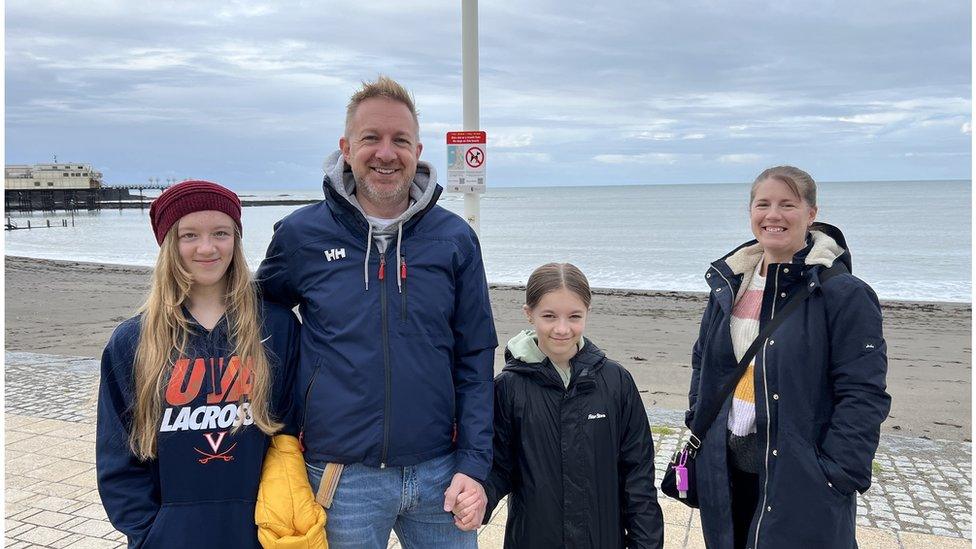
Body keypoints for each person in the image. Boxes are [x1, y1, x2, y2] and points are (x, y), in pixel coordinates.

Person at [257, 76, 497, 548]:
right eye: (371, 138)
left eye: (400, 141)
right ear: (346, 147)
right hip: (340, 477)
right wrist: (287, 422)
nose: (386, 153)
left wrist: (473, 465)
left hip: (440, 475)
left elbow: (475, 358)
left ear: (418, 150)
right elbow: (262, 321)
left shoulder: (455, 240)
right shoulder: (300, 235)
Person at [685, 166, 891, 548]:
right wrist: (698, 419)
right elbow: (705, 362)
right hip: (725, 468)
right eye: (762, 204)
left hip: (801, 474)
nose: (773, 215)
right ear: (751, 212)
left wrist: (838, 473)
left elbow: (863, 393)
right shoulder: (731, 282)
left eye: (787, 204)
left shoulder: (843, 293)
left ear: (811, 213)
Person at [96, 180, 300, 548]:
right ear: (168, 244)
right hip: (171, 536)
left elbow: (294, 431)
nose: (207, 248)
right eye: (189, 235)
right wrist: (150, 533)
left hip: (263, 532)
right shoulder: (132, 342)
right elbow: (117, 460)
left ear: (236, 241)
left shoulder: (277, 326)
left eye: (221, 233)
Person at [483, 263, 665, 548]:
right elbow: (498, 468)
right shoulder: (507, 387)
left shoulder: (616, 382)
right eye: (549, 316)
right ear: (529, 314)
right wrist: (477, 498)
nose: (562, 329)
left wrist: (647, 544)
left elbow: (638, 476)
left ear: (588, 313)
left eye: (574, 316)